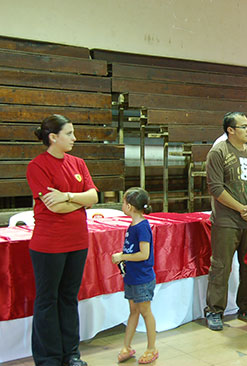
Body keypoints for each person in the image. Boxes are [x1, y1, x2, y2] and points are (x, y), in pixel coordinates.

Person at [26, 114, 99, 366]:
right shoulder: (37, 166)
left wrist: (68, 196)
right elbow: (54, 207)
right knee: (48, 300)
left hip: (77, 241)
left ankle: (71, 354)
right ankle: (49, 358)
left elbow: (93, 197)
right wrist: (79, 202)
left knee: (69, 297)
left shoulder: (78, 163)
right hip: (49, 245)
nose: (74, 138)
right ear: (53, 137)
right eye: (69, 133)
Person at [204, 111, 247, 331]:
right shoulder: (218, 153)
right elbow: (215, 188)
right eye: (244, 126)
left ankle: (246, 307)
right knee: (221, 266)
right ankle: (214, 310)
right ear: (230, 130)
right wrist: (241, 208)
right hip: (226, 221)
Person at [111, 187, 158, 364]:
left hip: (142, 278)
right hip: (131, 276)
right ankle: (127, 346)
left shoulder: (142, 227)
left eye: (123, 202)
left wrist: (122, 256)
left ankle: (152, 348)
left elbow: (144, 254)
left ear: (130, 206)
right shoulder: (132, 225)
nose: (122, 205)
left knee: (145, 312)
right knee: (133, 311)